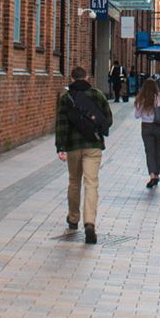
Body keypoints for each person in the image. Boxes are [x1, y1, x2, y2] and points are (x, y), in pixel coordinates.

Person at [55, 65, 113, 244]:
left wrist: (61, 147)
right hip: (93, 145)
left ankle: (73, 218)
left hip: (73, 146)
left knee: (74, 182)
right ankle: (90, 222)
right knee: (91, 183)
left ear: (72, 79)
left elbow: (61, 124)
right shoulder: (97, 95)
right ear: (87, 78)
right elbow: (108, 120)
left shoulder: (66, 98)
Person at [134, 73, 160, 188]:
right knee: (158, 152)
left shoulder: (141, 99)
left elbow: (137, 115)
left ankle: (152, 175)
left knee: (149, 151)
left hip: (146, 127)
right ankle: (157, 173)